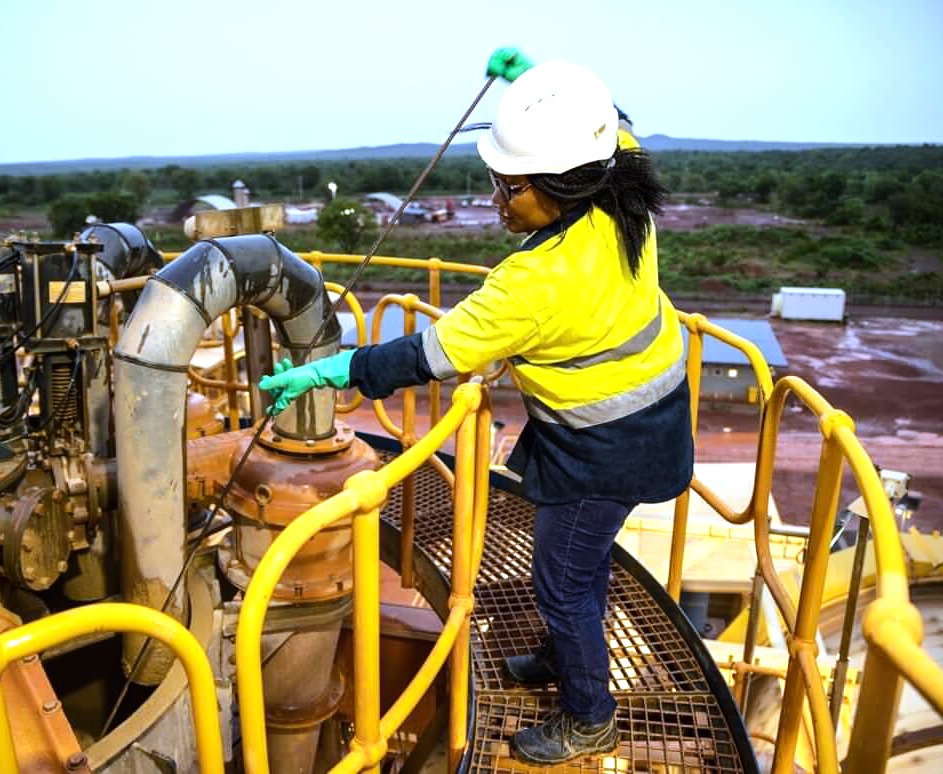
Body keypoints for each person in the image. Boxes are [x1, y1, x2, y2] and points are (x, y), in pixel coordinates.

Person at [260, 49, 693, 766]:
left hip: (605, 450)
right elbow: (610, 126)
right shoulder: (624, 191)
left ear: (560, 185)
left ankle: (590, 718)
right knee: (581, 566)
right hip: (652, 417)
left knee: (562, 579)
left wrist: (331, 371)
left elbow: (425, 355)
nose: (498, 201)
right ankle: (564, 656)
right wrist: (534, 90)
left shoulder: (534, 283)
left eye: (512, 188)